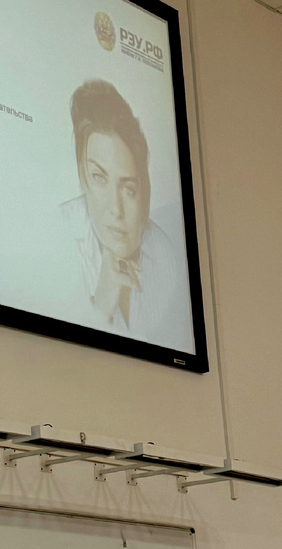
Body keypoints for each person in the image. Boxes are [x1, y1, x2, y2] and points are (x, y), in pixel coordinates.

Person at [59, 79, 193, 352]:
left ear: (143, 192)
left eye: (128, 188)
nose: (116, 209)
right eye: (99, 178)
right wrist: (100, 307)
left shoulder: (164, 254)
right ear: (82, 178)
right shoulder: (57, 236)